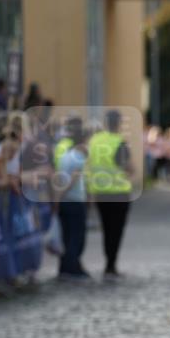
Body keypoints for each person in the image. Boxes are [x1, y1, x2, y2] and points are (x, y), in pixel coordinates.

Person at [85, 109, 134, 280]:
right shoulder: (120, 142)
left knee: (106, 229)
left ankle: (108, 263)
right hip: (119, 193)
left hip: (100, 192)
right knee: (116, 230)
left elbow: (88, 164)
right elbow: (129, 168)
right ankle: (111, 265)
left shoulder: (94, 141)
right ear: (118, 123)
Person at [54, 117, 91, 281]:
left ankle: (64, 267)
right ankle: (72, 268)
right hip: (74, 201)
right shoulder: (79, 156)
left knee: (66, 236)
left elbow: (59, 178)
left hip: (65, 202)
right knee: (76, 237)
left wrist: (58, 198)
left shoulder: (65, 155)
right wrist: (62, 194)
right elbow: (74, 179)